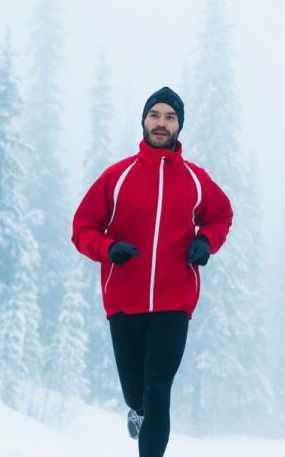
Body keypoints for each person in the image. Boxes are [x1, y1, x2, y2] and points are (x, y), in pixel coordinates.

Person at [71, 86, 233, 457]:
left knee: (158, 389)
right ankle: (136, 409)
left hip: (175, 302)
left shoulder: (195, 179)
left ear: (180, 126)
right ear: (143, 121)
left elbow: (221, 215)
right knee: (137, 392)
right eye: (155, 115)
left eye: (170, 117)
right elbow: (82, 228)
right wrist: (109, 249)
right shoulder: (118, 176)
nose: (162, 123)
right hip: (124, 302)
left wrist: (206, 241)